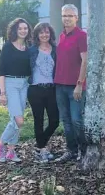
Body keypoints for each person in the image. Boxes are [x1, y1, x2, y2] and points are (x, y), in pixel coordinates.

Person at [0, 18, 32, 162]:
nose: (23, 31)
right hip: (10, 83)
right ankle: (0, 145)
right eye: (20, 28)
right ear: (15, 30)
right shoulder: (8, 47)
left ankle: (11, 152)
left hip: (24, 84)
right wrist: (3, 93)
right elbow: (2, 72)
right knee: (19, 120)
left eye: (25, 28)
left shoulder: (28, 48)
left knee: (15, 119)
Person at [54, 4, 88, 163]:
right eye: (64, 16)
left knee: (76, 120)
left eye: (70, 16)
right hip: (60, 85)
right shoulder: (61, 36)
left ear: (76, 17)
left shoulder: (81, 35)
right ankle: (71, 150)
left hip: (75, 87)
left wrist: (80, 84)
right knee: (66, 120)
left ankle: (84, 150)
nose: (66, 19)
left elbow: (85, 61)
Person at [27, 23, 59, 163]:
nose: (44, 35)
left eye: (46, 32)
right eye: (41, 33)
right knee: (38, 120)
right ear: (37, 35)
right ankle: (42, 150)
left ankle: (40, 146)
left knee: (55, 121)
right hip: (35, 89)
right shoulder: (31, 51)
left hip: (51, 89)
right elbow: (22, 67)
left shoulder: (56, 50)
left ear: (50, 34)